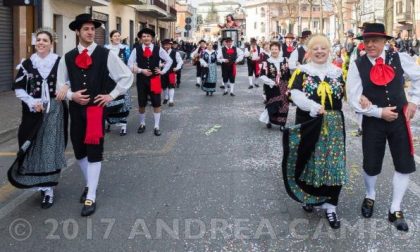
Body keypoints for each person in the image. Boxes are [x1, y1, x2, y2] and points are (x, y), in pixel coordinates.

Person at [56, 14, 133, 216]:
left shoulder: (105, 54)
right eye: (86, 29)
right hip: (76, 108)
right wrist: (71, 95)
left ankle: (91, 195)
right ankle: (91, 184)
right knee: (80, 150)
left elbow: (126, 75)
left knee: (94, 150)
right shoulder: (67, 57)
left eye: (93, 29)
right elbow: (59, 83)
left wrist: (111, 95)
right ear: (77, 32)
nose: (90, 32)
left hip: (95, 110)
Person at [347, 23, 420, 232]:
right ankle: (370, 195)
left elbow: (418, 77)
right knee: (371, 163)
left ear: (384, 41)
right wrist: (379, 112)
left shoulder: (400, 58)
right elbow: (353, 98)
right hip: (373, 120)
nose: (370, 45)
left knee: (404, 163)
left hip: (399, 120)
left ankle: (395, 208)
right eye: (367, 41)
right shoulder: (357, 63)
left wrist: (414, 101)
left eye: (375, 41)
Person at [284, 34, 347, 229]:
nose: (320, 51)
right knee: (309, 160)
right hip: (310, 122)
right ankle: (309, 197)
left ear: (329, 51)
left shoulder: (337, 72)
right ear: (309, 52)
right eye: (315, 48)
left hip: (334, 124)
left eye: (323, 48)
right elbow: (294, 93)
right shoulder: (302, 71)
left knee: (333, 163)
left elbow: (349, 94)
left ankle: (331, 206)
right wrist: (312, 105)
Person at [8, 29, 68, 209]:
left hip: (55, 110)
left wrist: (65, 87)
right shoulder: (27, 64)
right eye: (38, 40)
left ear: (51, 43)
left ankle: (48, 190)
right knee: (32, 145)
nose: (41, 43)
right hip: (33, 111)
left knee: (50, 147)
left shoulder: (59, 62)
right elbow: (18, 88)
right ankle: (37, 182)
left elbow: (70, 80)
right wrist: (32, 102)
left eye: (45, 40)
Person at [127, 28, 172, 136]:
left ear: (151, 38)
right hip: (142, 80)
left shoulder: (158, 49)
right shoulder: (136, 49)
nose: (146, 38)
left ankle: (156, 126)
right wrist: (141, 70)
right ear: (141, 38)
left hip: (155, 79)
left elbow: (169, 60)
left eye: (148, 36)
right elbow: (130, 64)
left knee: (156, 103)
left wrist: (162, 71)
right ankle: (142, 124)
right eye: (144, 36)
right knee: (141, 103)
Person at [104, 30, 132, 136]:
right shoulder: (105, 49)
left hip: (122, 79)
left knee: (123, 102)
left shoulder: (125, 48)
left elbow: (129, 62)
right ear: (111, 38)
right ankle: (109, 123)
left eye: (118, 36)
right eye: (115, 36)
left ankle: (123, 126)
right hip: (108, 79)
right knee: (110, 101)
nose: (117, 37)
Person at [258, 41, 290, 129]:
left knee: (284, 104)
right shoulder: (266, 62)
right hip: (271, 86)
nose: (274, 51)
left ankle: (282, 124)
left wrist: (290, 85)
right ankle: (269, 120)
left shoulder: (285, 60)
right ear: (270, 50)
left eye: (276, 49)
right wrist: (271, 82)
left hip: (284, 85)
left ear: (279, 50)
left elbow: (288, 74)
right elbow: (262, 75)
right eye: (272, 49)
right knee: (273, 103)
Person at [161, 39, 183, 106]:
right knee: (164, 86)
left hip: (171, 72)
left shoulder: (175, 53)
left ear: (170, 45)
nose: (166, 46)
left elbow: (180, 61)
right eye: (165, 45)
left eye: (168, 45)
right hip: (163, 72)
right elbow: (158, 61)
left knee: (171, 86)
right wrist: (160, 64)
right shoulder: (161, 53)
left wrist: (177, 68)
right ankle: (166, 97)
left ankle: (171, 100)